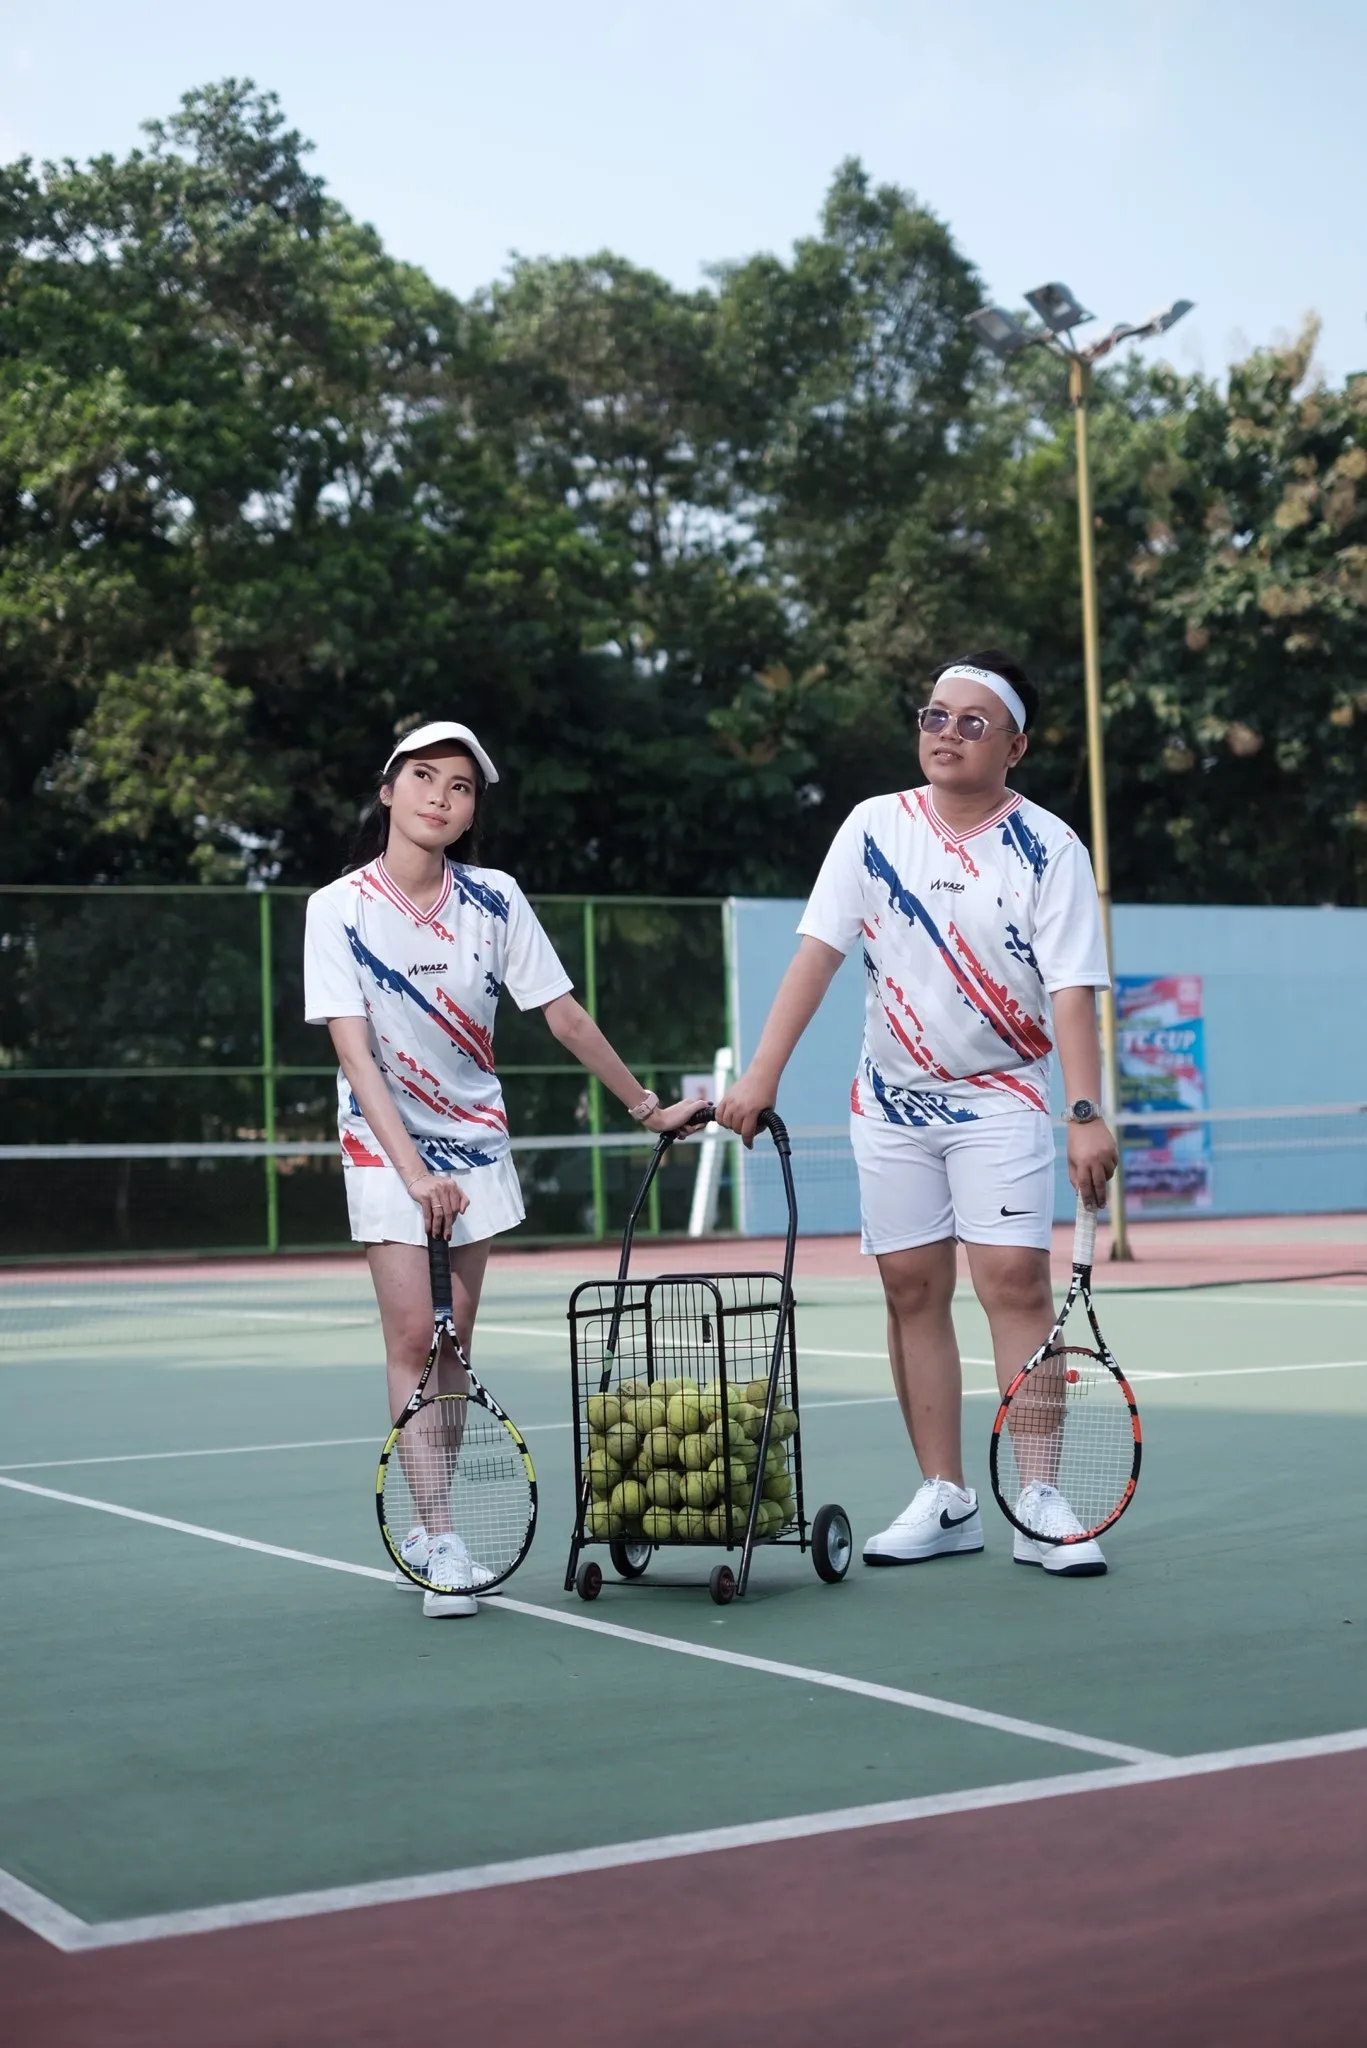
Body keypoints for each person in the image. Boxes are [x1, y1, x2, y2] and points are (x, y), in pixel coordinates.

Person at [717, 653, 1119, 1577]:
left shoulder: (1050, 847)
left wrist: (1083, 1112)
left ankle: (1038, 1499)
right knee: (909, 1291)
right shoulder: (873, 826)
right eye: (934, 715)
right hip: (890, 1102)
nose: (946, 733)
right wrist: (761, 1075)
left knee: (1014, 1283)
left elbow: (1072, 990)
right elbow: (817, 956)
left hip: (1001, 1094)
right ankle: (945, 1496)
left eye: (972, 722)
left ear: (1014, 747)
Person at [303, 720, 703, 1618]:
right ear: (388, 791)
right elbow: (356, 1055)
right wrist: (413, 1175)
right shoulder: (337, 908)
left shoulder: (495, 899)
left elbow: (562, 1015)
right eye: (423, 777)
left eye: (460, 787)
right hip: (383, 1145)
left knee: (452, 1344)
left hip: (475, 1145)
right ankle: (440, 1533)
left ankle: (429, 1523)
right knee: (415, 1336)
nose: (440, 797)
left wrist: (647, 1107)